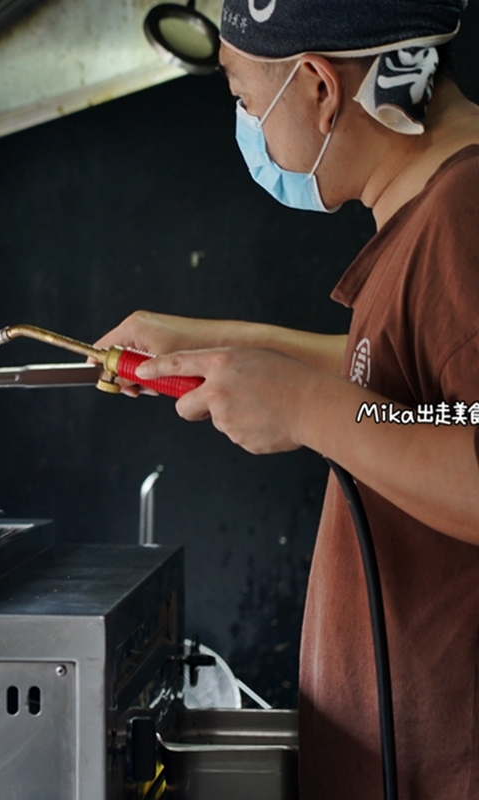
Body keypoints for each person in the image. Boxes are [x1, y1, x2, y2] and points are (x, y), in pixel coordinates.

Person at [92, 1, 479, 797]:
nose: (247, 127)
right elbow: (418, 395)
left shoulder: (461, 216)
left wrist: (302, 409)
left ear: (316, 88)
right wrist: (233, 350)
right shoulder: (432, 208)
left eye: (242, 97)